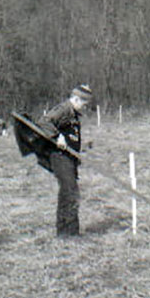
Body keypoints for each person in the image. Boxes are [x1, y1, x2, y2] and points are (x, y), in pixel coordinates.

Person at [36, 84, 94, 236]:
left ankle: (67, 232)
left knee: (69, 191)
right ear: (75, 99)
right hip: (60, 157)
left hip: (70, 157)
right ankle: (68, 233)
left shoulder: (73, 113)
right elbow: (43, 122)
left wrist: (81, 146)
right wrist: (57, 136)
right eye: (84, 104)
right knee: (70, 191)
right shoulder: (64, 109)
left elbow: (70, 135)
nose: (85, 108)